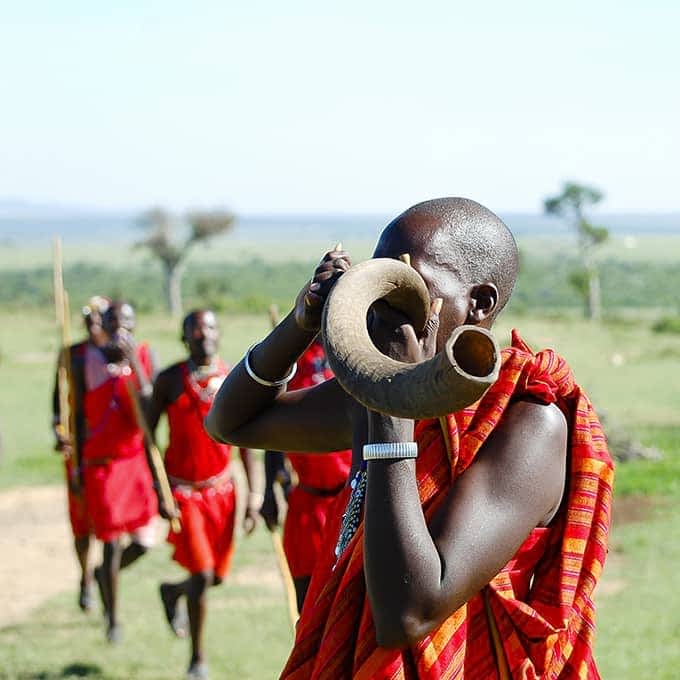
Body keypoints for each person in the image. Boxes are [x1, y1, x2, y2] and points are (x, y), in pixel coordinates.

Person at [205, 198, 614, 679]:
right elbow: (232, 423)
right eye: (377, 280)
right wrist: (301, 323)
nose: (380, 303)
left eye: (406, 284)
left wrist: (391, 402)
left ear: (478, 303)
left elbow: (410, 612)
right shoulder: (373, 399)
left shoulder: (529, 420)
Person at [147, 309, 258, 680]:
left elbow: (247, 441)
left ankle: (171, 592)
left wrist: (255, 495)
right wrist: (158, 490)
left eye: (209, 327)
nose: (203, 334)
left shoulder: (233, 379)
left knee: (216, 577)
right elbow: (148, 439)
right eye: (195, 329)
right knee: (202, 573)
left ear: (218, 334)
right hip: (183, 493)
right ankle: (197, 659)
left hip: (222, 493)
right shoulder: (168, 381)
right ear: (184, 337)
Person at [82, 300, 159, 643]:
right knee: (111, 543)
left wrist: (133, 365)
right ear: (105, 324)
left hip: (134, 461)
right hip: (103, 465)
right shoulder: (88, 358)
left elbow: (149, 404)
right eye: (114, 321)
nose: (120, 328)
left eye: (127, 321)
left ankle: (102, 575)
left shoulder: (143, 354)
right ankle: (112, 618)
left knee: (144, 542)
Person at [261, 339, 351, 612]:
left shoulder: (355, 353)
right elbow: (272, 427)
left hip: (352, 501)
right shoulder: (288, 364)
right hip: (307, 503)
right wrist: (269, 490)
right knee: (307, 605)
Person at [51, 295, 110, 611]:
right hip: (79, 453)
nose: (93, 324)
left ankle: (104, 576)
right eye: (88, 318)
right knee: (81, 521)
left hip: (108, 455)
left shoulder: (116, 357)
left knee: (110, 525)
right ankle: (85, 576)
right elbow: (57, 407)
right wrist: (60, 434)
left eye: (99, 317)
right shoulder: (71, 355)